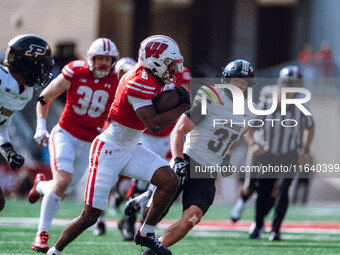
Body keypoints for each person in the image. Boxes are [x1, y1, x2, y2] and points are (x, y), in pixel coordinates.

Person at [46, 35, 190, 255]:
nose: (173, 70)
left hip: (131, 147)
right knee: (90, 216)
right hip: (109, 150)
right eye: (170, 64)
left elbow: (124, 65)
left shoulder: (146, 72)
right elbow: (153, 125)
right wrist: (183, 107)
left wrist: (123, 66)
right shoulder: (140, 81)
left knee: (170, 181)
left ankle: (146, 232)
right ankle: (54, 252)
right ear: (156, 62)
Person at [127, 59, 257, 254]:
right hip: (188, 160)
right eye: (236, 80)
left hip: (208, 172)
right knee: (153, 214)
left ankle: (152, 251)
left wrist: (227, 156)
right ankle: (146, 198)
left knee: (192, 218)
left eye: (244, 82)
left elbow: (234, 138)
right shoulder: (212, 98)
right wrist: (178, 160)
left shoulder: (248, 111)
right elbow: (178, 131)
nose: (240, 85)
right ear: (226, 80)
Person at [28, 38, 120, 253]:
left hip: (90, 142)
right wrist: (41, 126)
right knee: (63, 181)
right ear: (91, 58)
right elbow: (45, 96)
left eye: (108, 59)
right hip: (66, 133)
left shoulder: (117, 80)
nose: (104, 64)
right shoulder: (75, 71)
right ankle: (42, 234)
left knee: (63, 189)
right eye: (100, 59)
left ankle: (41, 186)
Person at [247, 65, 315, 241]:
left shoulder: (301, 101)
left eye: (293, 84)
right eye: (287, 83)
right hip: (267, 151)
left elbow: (310, 126)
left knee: (284, 188)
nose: (290, 87)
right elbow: (250, 125)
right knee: (263, 190)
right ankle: (259, 225)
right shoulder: (267, 97)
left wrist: (305, 150)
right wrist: (254, 143)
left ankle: (276, 229)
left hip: (289, 152)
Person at [0, 34, 53, 212]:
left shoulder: (24, 93)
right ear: (28, 65)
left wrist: (8, 151)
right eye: (41, 67)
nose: (44, 72)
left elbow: (2, 125)